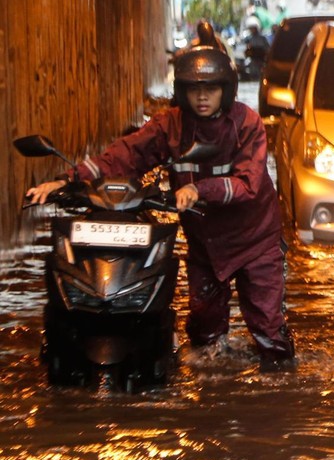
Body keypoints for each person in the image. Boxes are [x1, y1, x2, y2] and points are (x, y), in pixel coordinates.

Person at [27, 24, 295, 371]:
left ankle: (280, 389)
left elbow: (249, 184)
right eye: (193, 90)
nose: (202, 97)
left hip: (254, 241)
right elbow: (124, 155)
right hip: (205, 245)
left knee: (267, 329)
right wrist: (67, 179)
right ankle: (212, 398)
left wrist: (199, 189)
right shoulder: (170, 125)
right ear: (181, 92)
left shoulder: (247, 124)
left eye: (210, 89)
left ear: (225, 90)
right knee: (204, 332)